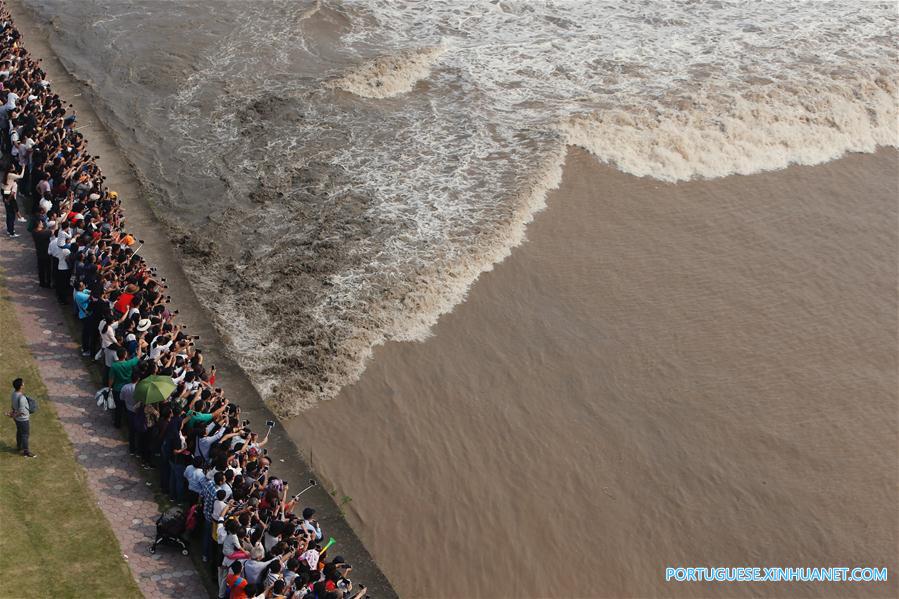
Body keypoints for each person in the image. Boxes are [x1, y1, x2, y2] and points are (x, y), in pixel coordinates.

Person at [7, 378, 35, 457]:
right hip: (23, 419)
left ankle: (19, 446)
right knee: (25, 434)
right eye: (23, 383)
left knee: (19, 431)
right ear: (20, 386)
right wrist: (13, 415)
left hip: (17, 419)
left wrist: (12, 414)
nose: (24, 384)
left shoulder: (13, 394)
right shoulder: (21, 398)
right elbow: (21, 411)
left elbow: (13, 406)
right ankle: (26, 451)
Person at [30, 218, 52, 287]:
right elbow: (52, 231)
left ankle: (42, 283)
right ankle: (48, 283)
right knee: (48, 269)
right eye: (41, 223)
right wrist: (57, 222)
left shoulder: (34, 232)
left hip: (39, 252)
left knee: (41, 269)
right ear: (38, 225)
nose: (42, 224)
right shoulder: (43, 233)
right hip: (46, 253)